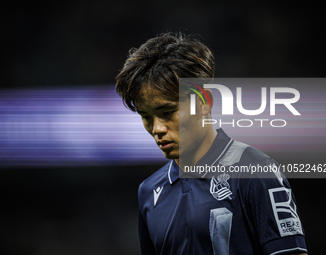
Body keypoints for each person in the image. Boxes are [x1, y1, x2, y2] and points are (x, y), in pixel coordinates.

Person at [115, 32, 307, 255]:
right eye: (146, 116)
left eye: (167, 112)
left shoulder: (256, 170)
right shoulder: (148, 192)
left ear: (204, 102)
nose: (157, 129)